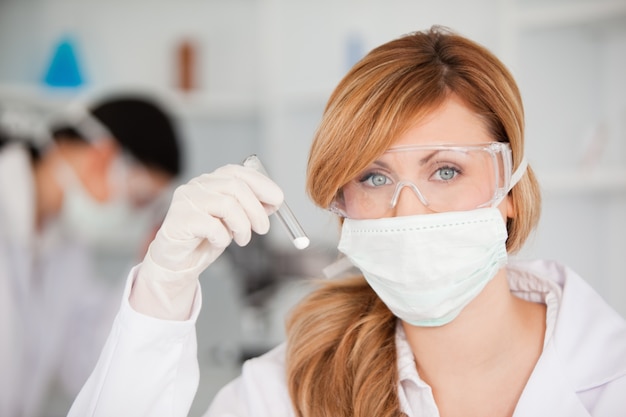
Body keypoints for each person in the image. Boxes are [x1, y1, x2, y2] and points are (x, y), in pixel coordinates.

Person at [68, 26, 626, 417]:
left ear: (509, 191)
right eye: (375, 178)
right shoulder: (288, 391)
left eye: (447, 170)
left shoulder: (611, 377)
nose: (407, 209)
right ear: (340, 204)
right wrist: (161, 294)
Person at [0, 93, 182, 417]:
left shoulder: (68, 249)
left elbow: (84, 368)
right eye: (140, 197)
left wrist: (147, 271)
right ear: (103, 156)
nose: (134, 214)